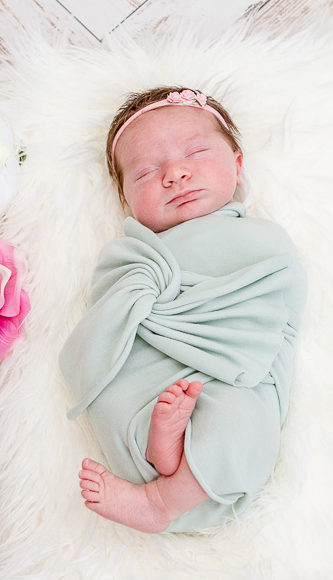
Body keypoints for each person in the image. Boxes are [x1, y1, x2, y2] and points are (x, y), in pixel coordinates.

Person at [59, 87, 306, 533]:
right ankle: (162, 449)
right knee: (134, 392)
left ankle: (161, 497)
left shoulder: (263, 241)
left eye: (194, 151)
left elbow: (277, 314)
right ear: (126, 202)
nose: (174, 173)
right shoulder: (131, 257)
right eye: (147, 171)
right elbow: (106, 322)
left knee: (247, 423)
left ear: (237, 165)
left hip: (230, 394)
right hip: (144, 400)